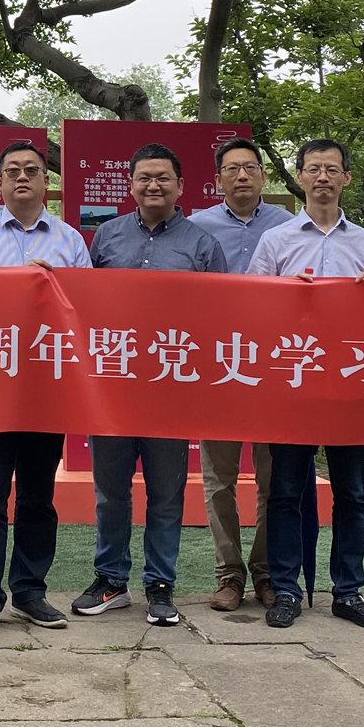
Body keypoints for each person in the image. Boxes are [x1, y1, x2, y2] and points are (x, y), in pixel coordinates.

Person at [77, 143, 222, 628]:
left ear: (180, 186)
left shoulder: (202, 245)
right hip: (113, 386)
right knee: (110, 492)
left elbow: (218, 319)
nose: (153, 185)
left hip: (169, 389)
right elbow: (84, 306)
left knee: (165, 494)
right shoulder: (106, 236)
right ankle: (110, 580)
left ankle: (160, 585)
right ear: (131, 185)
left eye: (163, 178)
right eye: (144, 177)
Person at [0, 138, 91, 635]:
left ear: (46, 181)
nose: (23, 177)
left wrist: (55, 286)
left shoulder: (70, 239)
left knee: (38, 496)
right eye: (13, 171)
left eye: (32, 170)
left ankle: (30, 592)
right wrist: (21, 280)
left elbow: (86, 305)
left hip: (46, 382)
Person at [247, 139, 364, 632]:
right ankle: (286, 589)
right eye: (313, 169)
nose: (322, 177)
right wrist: (289, 299)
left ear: (346, 178)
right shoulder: (276, 241)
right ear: (300, 178)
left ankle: (348, 592)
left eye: (332, 169)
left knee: (351, 494)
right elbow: (253, 307)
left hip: (350, 385)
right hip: (295, 383)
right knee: (286, 493)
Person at [192, 135, 293, 611]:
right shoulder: (197, 227)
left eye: (250, 167)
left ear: (264, 175)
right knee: (219, 477)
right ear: (218, 180)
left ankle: (266, 571)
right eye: (231, 169)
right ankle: (228, 574)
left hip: (274, 366)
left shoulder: (289, 226)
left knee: (274, 478)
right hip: (218, 366)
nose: (241, 175)